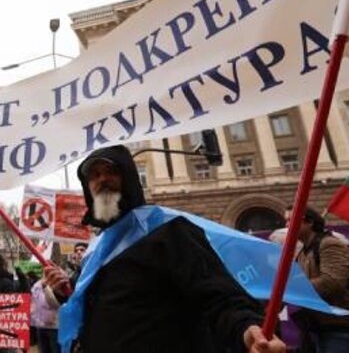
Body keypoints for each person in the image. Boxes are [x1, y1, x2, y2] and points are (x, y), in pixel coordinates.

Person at [43, 145, 286, 353]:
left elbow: (218, 295)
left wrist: (247, 328)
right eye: (94, 175)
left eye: (111, 171)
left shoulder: (169, 231)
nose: (102, 179)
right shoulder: (96, 249)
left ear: (128, 177)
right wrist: (67, 290)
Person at [291, 207, 349, 352]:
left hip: (344, 330)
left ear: (309, 222)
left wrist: (292, 291)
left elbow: (332, 282)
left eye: (291, 220)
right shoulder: (304, 252)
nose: (287, 225)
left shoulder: (329, 244)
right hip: (321, 328)